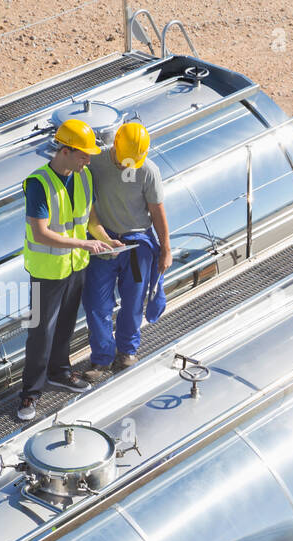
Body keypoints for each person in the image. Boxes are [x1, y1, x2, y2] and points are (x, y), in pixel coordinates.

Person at [17, 118, 114, 421]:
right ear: (65, 150)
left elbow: (90, 218)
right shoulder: (38, 183)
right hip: (46, 270)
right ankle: (30, 394)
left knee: (66, 326)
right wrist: (84, 245)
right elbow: (40, 233)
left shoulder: (83, 176)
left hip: (74, 266)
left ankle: (60, 372)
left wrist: (106, 239)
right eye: (83, 154)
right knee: (39, 334)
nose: (88, 160)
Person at [81, 121, 172, 381]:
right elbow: (88, 204)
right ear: (115, 146)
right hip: (103, 243)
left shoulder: (148, 170)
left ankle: (127, 351)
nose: (125, 166)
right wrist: (103, 238)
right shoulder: (95, 163)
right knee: (97, 303)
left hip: (137, 245)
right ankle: (101, 359)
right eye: (122, 160)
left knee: (133, 300)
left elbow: (157, 211)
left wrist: (165, 248)